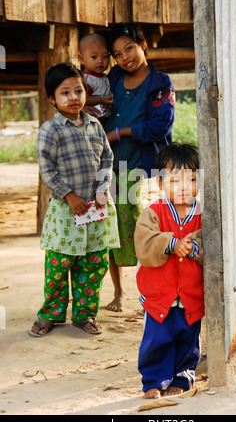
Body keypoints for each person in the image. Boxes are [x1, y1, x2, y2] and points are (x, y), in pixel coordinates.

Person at [28, 62, 119, 337]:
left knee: (93, 264)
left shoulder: (94, 125)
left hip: (96, 209)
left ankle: (85, 314)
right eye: (64, 92)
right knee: (59, 265)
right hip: (66, 211)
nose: (73, 97)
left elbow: (107, 158)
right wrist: (68, 196)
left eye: (78, 90)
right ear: (52, 99)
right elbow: (47, 168)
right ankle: (51, 315)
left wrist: (104, 188)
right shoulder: (50, 129)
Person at [103, 22, 175, 312]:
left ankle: (153, 292)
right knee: (112, 232)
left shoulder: (160, 83)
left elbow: (161, 125)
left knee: (146, 230)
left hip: (143, 170)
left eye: (129, 48)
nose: (125, 58)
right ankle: (119, 294)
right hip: (109, 168)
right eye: (118, 54)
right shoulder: (113, 78)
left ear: (143, 45)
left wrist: (120, 133)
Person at [134, 143, 204, 399]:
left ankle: (182, 378)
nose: (184, 186)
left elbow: (210, 241)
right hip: (159, 295)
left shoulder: (204, 214)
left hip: (191, 294)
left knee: (188, 339)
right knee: (157, 340)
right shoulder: (152, 213)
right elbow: (144, 243)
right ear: (161, 184)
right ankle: (153, 380)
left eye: (192, 179)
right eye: (175, 181)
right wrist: (172, 244)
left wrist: (195, 246)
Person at [78, 33, 113, 119]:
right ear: (82, 59)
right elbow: (81, 99)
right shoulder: (86, 80)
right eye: (94, 57)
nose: (100, 61)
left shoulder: (106, 77)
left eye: (105, 57)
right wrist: (101, 100)